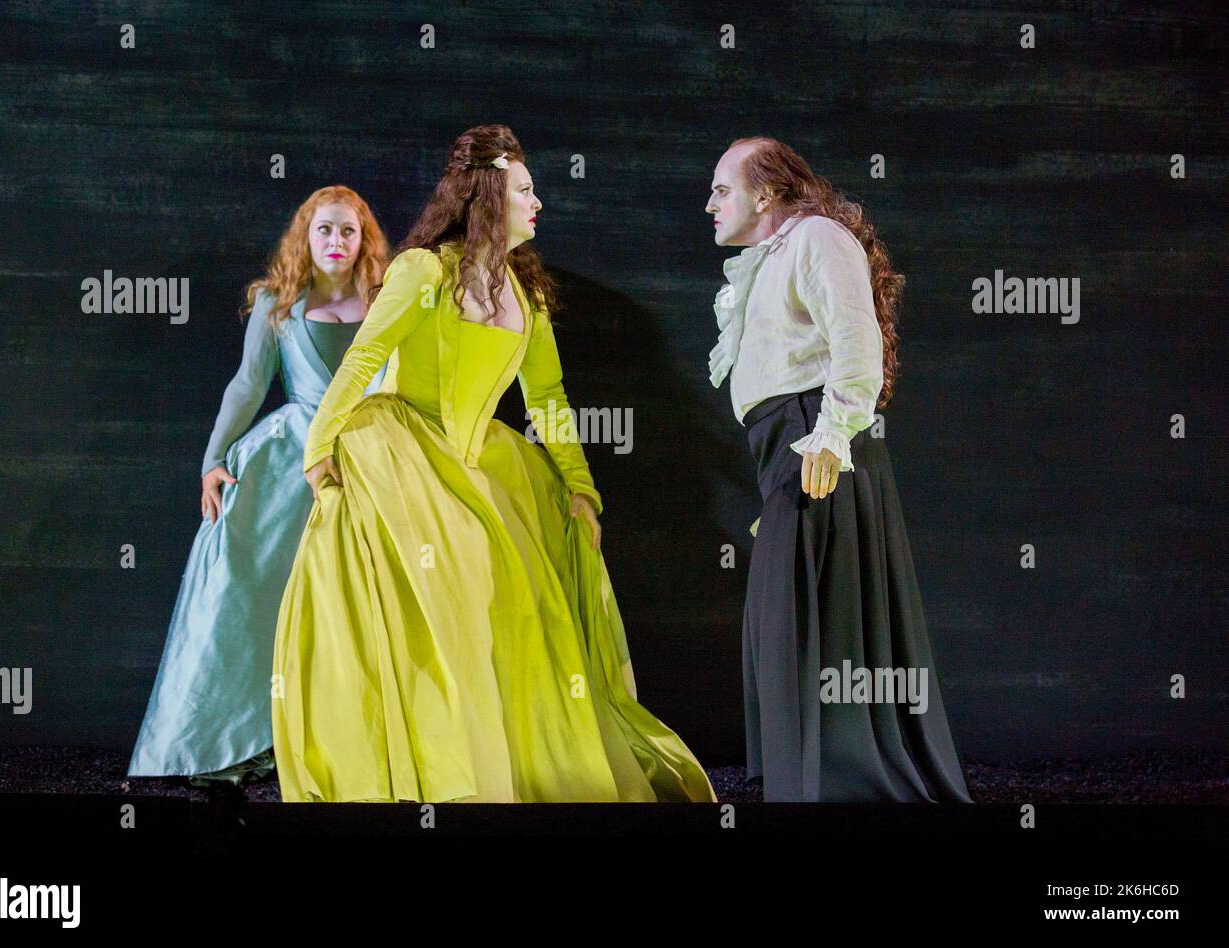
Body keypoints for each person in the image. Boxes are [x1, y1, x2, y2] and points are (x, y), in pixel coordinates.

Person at [271, 125, 716, 803]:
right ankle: (439, 770)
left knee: (513, 597)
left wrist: (580, 487)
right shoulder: (423, 270)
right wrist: (320, 445)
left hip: (483, 462)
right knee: (447, 587)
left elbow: (548, 398)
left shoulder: (526, 297)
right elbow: (364, 358)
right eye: (525, 190)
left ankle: (501, 763)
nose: (538, 202)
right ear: (486, 197)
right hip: (404, 449)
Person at [705, 136, 972, 802]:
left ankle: (849, 785)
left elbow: (857, 337)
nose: (710, 203)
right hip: (786, 455)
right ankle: (810, 783)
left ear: (765, 192)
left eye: (722, 188)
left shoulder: (817, 238)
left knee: (817, 625)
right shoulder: (771, 259)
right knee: (782, 630)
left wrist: (828, 438)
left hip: (815, 444)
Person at [129, 186, 395, 782]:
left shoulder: (385, 302)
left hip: (371, 456)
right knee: (246, 578)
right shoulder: (279, 302)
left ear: (364, 241)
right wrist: (212, 459)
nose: (335, 242)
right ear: (306, 236)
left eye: (348, 232)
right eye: (323, 230)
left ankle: (351, 736)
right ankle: (240, 740)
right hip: (288, 461)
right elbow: (246, 386)